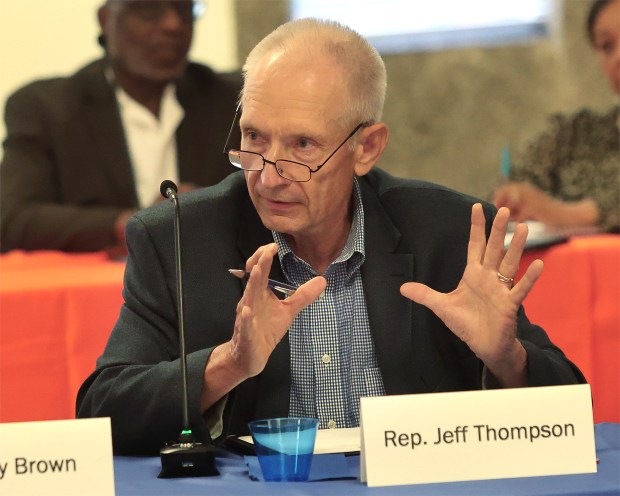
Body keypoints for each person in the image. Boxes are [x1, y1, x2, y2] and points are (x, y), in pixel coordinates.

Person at [77, 18, 585, 455]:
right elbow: (102, 414)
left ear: (366, 148)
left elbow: (571, 413)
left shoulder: (448, 231)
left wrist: (507, 359)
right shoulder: (178, 240)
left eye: (302, 145)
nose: (269, 176)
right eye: (254, 138)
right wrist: (228, 365)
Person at [0, 0, 240, 254]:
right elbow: (12, 219)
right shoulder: (48, 109)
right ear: (106, 19)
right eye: (149, 9)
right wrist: (133, 224)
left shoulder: (234, 102)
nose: (173, 24)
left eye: (184, 9)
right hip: (94, 288)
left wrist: (214, 207)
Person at [493, 0, 619, 232]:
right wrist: (514, 198)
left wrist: (566, 214)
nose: (618, 57)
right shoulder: (574, 134)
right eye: (607, 46)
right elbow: (517, 184)